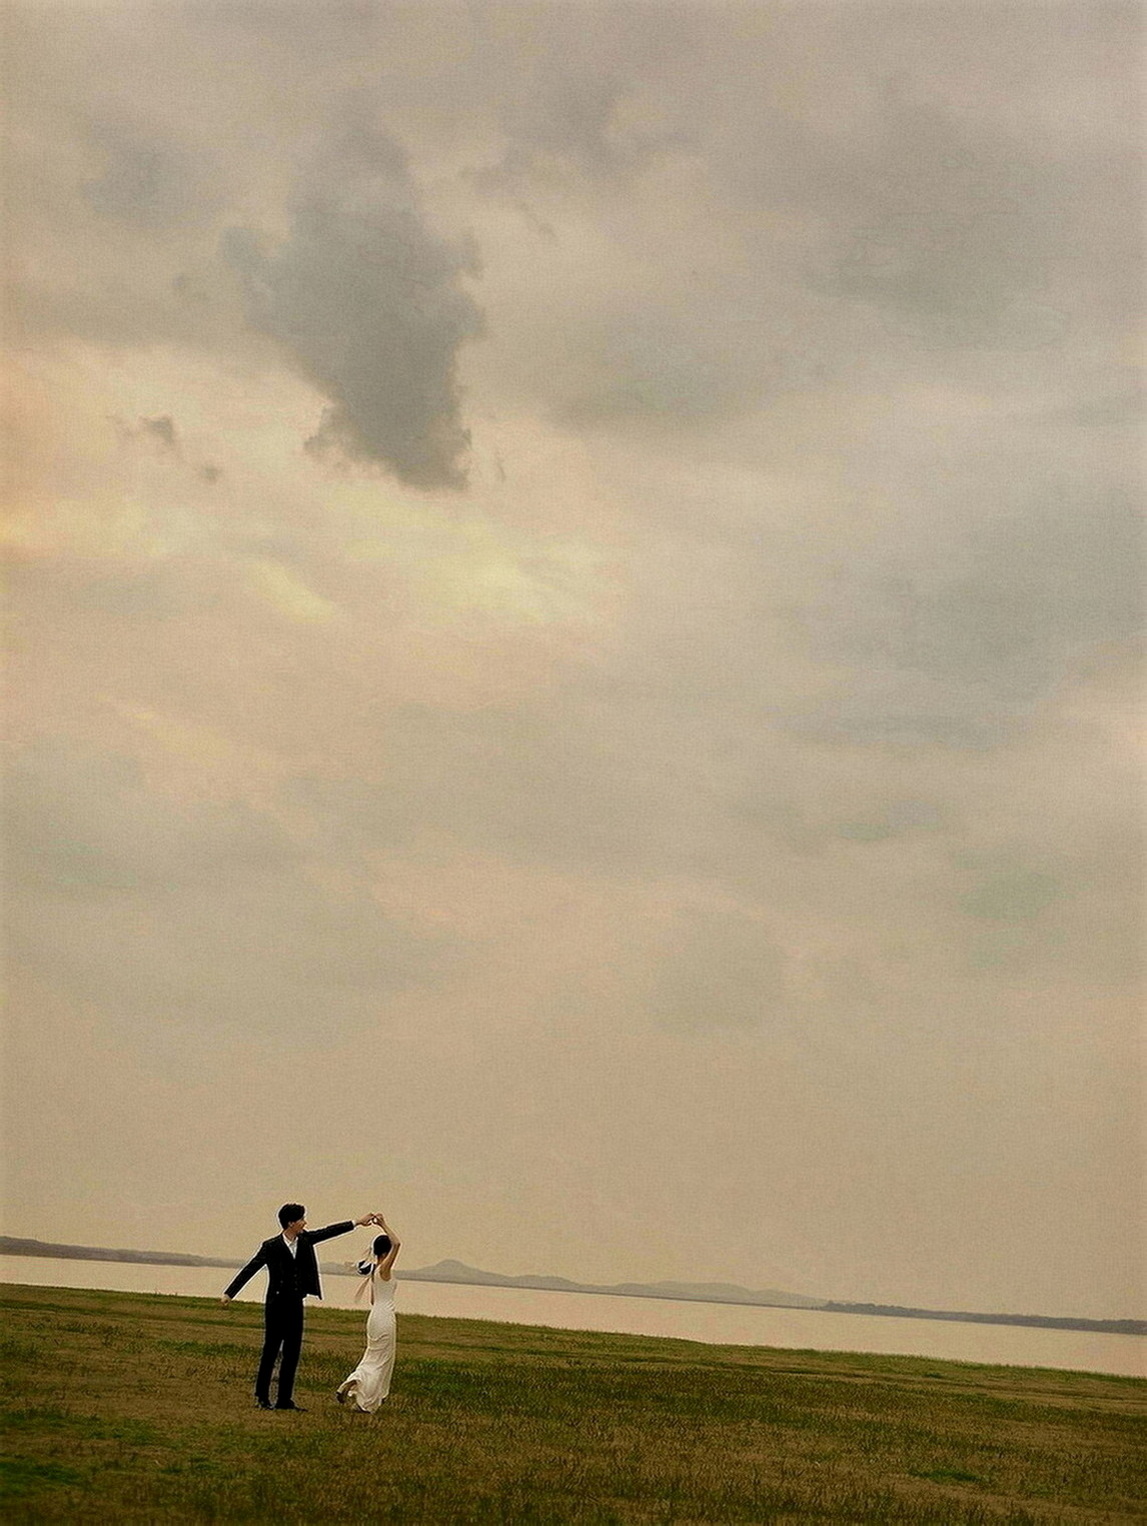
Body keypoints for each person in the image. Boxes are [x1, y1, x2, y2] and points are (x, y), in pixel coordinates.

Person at [221, 1203, 377, 1411]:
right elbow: (251, 1268)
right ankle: (262, 1397)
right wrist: (229, 1293)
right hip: (276, 1305)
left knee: (292, 1352)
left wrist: (357, 1222)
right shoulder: (271, 1246)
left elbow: (329, 1231)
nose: (305, 1222)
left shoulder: (305, 1240)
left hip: (296, 1303)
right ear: (290, 1223)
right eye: (302, 1219)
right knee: (271, 1350)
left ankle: (284, 1400)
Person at [336, 1213, 401, 1413]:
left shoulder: (375, 1272)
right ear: (386, 1252)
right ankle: (364, 1400)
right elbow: (397, 1244)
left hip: (374, 1316)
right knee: (381, 1361)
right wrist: (383, 1224)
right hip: (385, 1317)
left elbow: (373, 1300)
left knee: (372, 1355)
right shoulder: (384, 1269)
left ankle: (354, 1380)